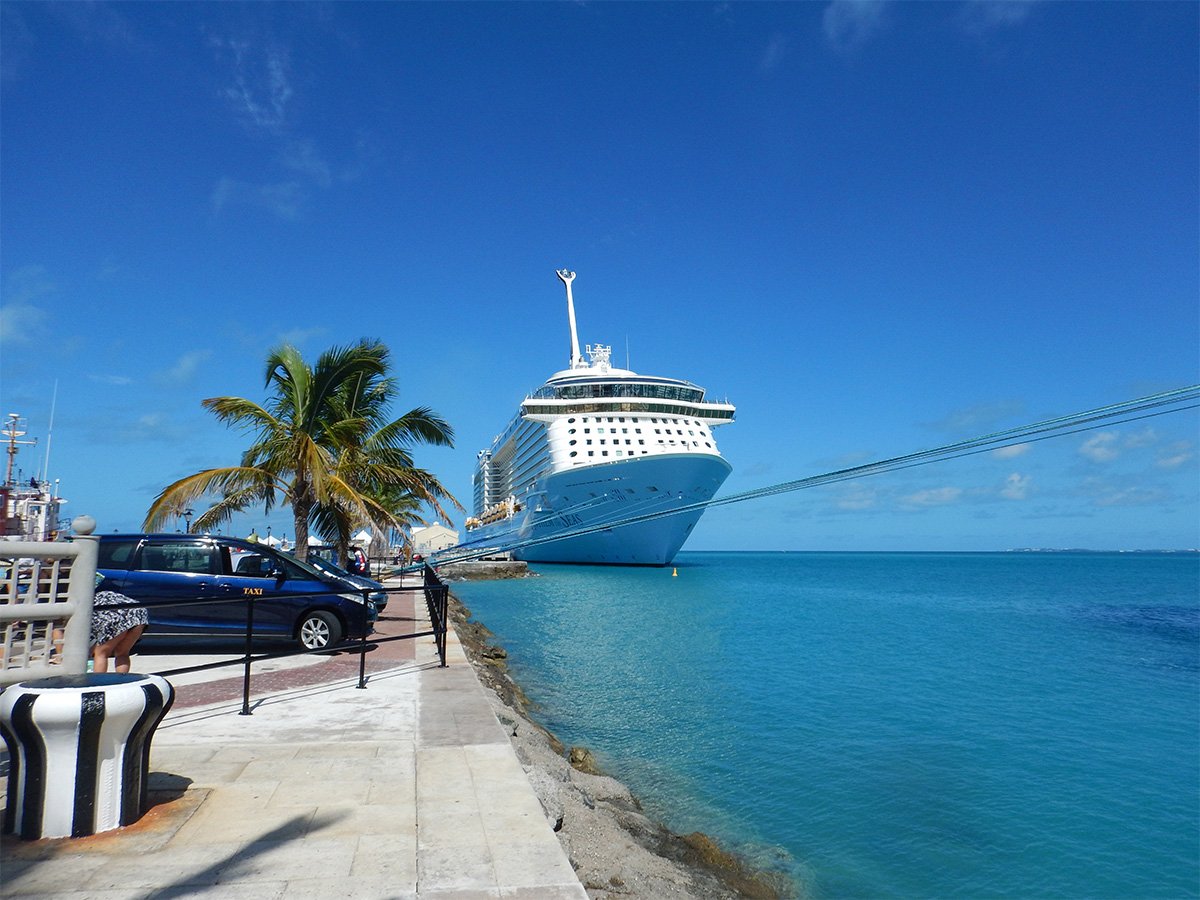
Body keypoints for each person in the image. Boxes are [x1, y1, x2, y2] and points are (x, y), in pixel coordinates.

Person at [91, 586, 148, 674]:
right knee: (122, 653)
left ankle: (98, 684)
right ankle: (122, 681)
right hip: (139, 613)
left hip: (117, 614)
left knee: (101, 653)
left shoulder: (86, 605)